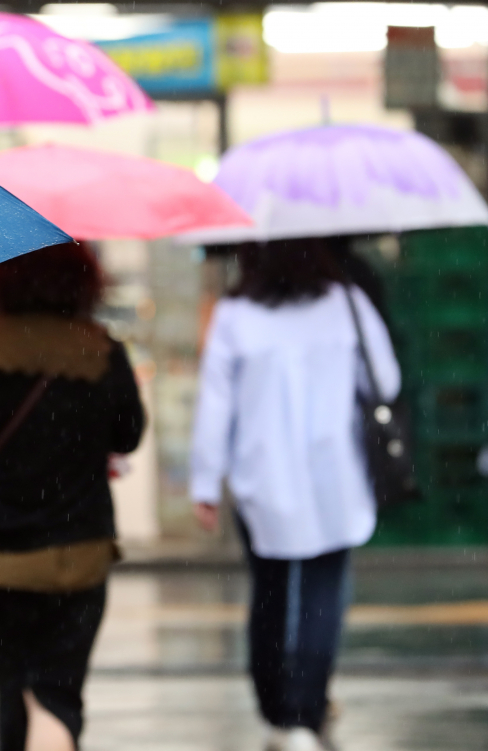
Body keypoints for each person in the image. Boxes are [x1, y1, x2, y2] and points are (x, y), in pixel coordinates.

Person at [0, 243, 145, 751]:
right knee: (57, 687)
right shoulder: (100, 349)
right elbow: (128, 434)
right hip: (79, 548)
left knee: (13, 682)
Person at [190, 239, 400, 751]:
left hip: (262, 477)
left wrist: (204, 483)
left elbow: (215, 404)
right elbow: (386, 382)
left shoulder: (235, 314)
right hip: (336, 475)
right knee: (323, 596)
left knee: (270, 593)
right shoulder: (344, 303)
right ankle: (306, 709)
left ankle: (277, 712)